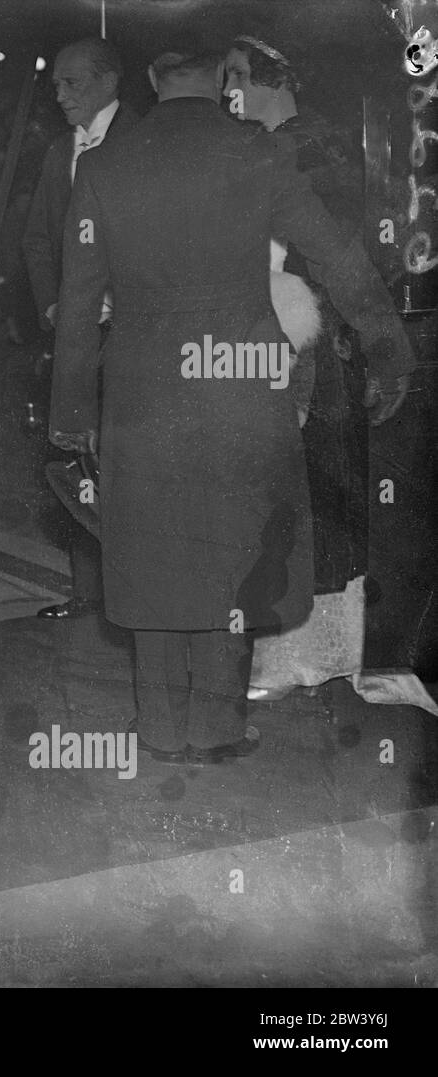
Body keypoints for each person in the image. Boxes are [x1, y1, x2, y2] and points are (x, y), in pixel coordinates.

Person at [49, 47, 415, 763]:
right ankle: (217, 725)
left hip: (142, 388)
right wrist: (388, 347)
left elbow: (78, 307)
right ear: (221, 79)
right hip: (241, 382)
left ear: (154, 79)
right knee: (234, 548)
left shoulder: (105, 165)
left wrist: (71, 416)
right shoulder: (257, 153)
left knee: (152, 554)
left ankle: (159, 725)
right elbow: (338, 255)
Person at [224, 34, 432, 713]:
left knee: (319, 498)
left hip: (319, 349)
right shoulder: (263, 147)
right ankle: (305, 653)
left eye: (236, 78)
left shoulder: (314, 150)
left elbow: (341, 260)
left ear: (272, 78)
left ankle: (313, 656)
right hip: (279, 341)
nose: (228, 93)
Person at [22, 37, 139, 620]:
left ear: (109, 82)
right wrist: (53, 306)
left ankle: (135, 593)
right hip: (75, 338)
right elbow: (37, 241)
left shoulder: (146, 143)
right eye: (57, 84)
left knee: (129, 463)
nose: (60, 93)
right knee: (75, 458)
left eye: (72, 83)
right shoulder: (57, 152)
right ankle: (88, 591)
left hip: (135, 335)